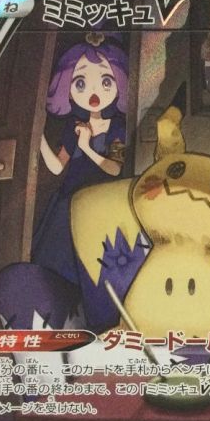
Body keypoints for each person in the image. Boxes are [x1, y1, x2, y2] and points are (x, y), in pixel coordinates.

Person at [32, 33, 128, 283]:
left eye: (106, 81)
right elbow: (57, 167)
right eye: (81, 83)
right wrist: (37, 138)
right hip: (68, 201)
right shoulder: (73, 125)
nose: (94, 92)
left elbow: (115, 169)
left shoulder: (118, 127)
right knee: (56, 264)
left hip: (100, 203)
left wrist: (86, 146)